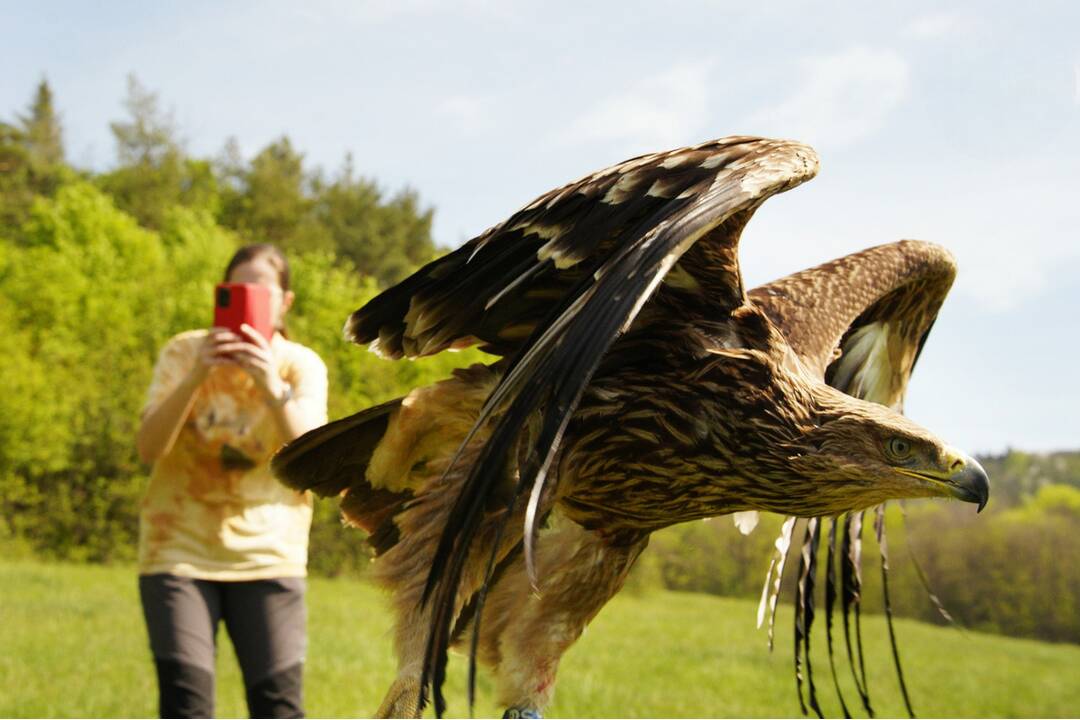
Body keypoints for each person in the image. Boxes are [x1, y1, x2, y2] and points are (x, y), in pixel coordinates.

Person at [135, 244, 328, 719]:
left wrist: (271, 386)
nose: (246, 299)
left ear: (284, 303)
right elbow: (148, 448)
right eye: (236, 290)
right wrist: (197, 375)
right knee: (186, 707)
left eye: (260, 291)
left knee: (278, 708)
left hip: (270, 556)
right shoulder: (185, 351)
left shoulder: (299, 364)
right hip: (177, 551)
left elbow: (315, 461)